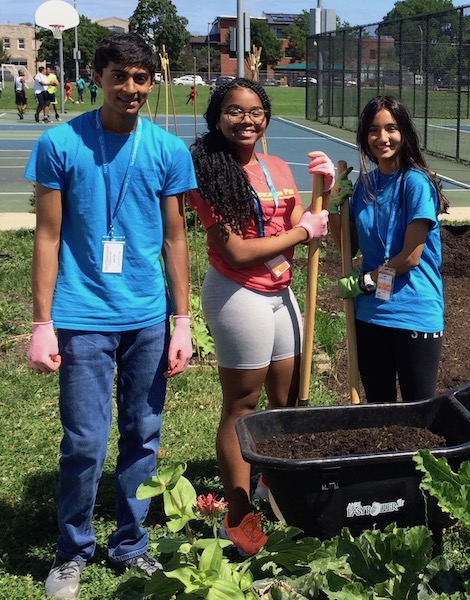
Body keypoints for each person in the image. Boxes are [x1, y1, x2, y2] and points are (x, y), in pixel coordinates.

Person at [24, 33, 196, 598]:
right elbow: (47, 236)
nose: (131, 88)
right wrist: (42, 322)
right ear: (97, 77)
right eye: (119, 76)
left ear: (152, 82)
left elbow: (175, 239)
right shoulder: (59, 142)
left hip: (147, 316)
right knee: (85, 441)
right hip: (81, 314)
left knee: (143, 434)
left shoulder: (169, 151)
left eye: (141, 78)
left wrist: (182, 320)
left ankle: (131, 544)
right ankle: (72, 552)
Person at [187, 78, 332, 555]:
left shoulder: (274, 165)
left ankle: (273, 484)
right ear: (216, 117)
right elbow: (238, 249)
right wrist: (302, 233)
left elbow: (297, 226)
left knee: (286, 399)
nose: (246, 120)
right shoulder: (207, 171)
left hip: (282, 291)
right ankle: (237, 510)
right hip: (238, 294)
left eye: (255, 111)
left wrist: (322, 193)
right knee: (243, 404)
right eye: (234, 111)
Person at [331, 95, 447, 403]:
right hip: (371, 315)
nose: (382, 137)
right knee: (378, 409)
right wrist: (334, 206)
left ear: (405, 133)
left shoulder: (416, 183)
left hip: (413, 312)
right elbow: (346, 246)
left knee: (416, 411)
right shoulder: (366, 186)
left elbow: (411, 257)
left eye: (391, 128)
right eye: (373, 130)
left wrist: (364, 282)